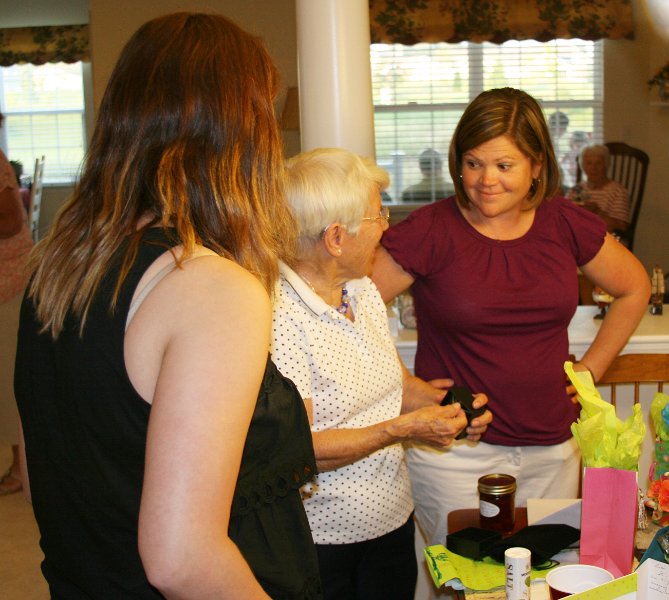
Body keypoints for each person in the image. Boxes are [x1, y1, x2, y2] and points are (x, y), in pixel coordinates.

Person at [14, 13, 321, 599]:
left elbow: (41, 477)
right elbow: (181, 559)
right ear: (238, 132)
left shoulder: (58, 270)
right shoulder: (209, 286)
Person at [372, 87, 650, 552]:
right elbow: (346, 310)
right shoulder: (429, 230)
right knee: (472, 583)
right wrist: (406, 387)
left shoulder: (564, 222)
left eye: (505, 165)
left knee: (538, 576)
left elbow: (634, 287)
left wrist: (591, 370)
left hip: (553, 447)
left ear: (536, 165)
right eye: (473, 162)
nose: (486, 180)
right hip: (455, 452)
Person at [270, 147, 492, 600]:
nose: (387, 227)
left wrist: (444, 410)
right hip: (322, 542)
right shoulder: (279, 313)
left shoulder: (362, 291)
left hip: (390, 522)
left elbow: (392, 384)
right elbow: (299, 447)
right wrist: (401, 430)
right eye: (377, 217)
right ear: (336, 237)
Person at [0, 111, 33, 496]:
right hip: (13, 274)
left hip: (8, 280)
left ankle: (21, 466)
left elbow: (9, 223)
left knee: (8, 371)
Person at [568, 144, 631, 234]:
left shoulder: (618, 191)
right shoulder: (577, 190)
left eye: (598, 163)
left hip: (606, 241)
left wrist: (597, 212)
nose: (593, 168)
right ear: (583, 166)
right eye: (589, 163)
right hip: (579, 239)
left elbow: (622, 227)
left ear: (606, 164)